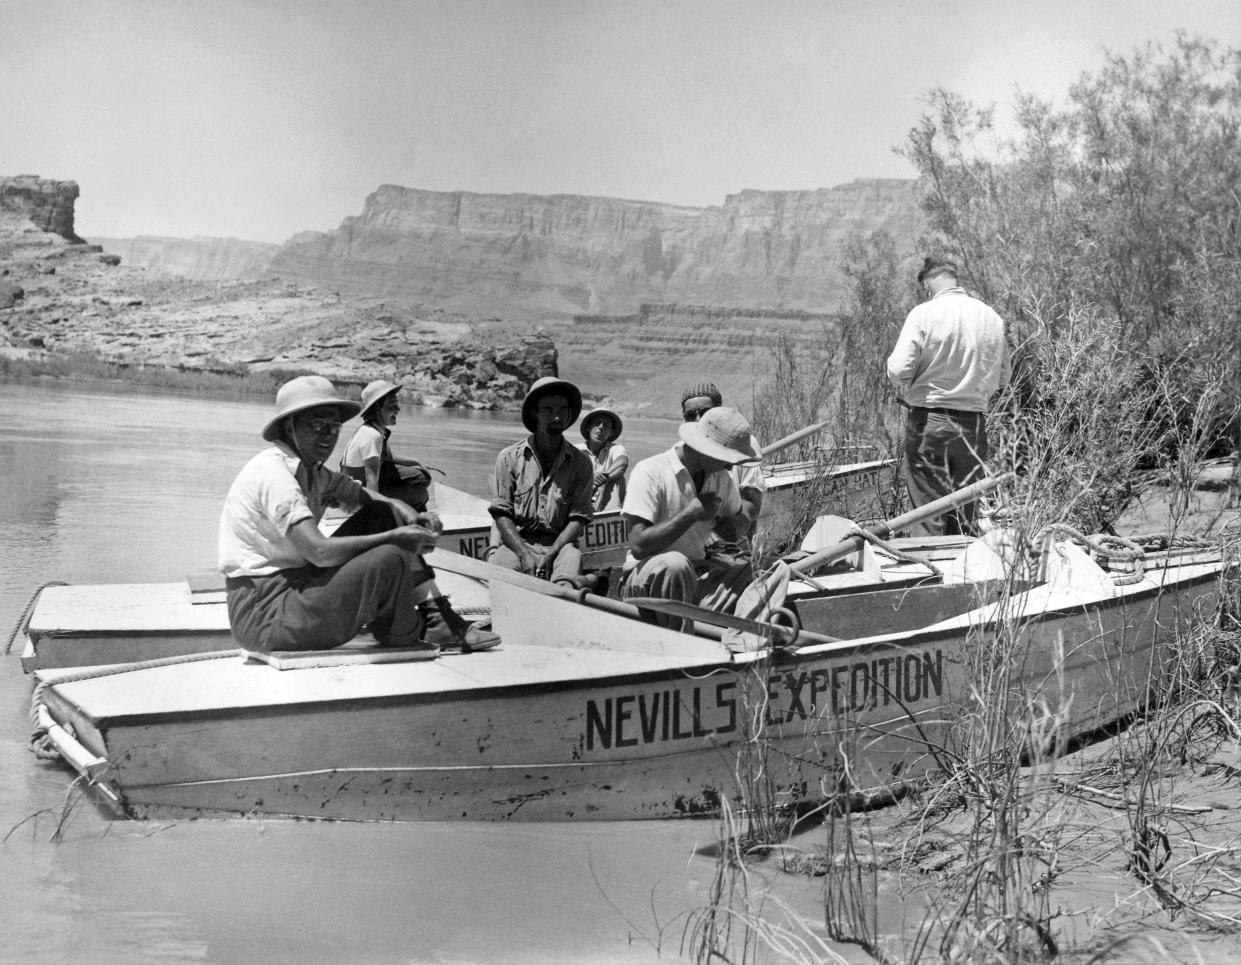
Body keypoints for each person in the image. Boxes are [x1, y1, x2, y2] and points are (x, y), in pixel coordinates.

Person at [219, 375, 499, 654]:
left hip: (296, 589)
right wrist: (394, 537)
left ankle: (435, 616)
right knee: (391, 557)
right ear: (289, 427)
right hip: (264, 616)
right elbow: (320, 552)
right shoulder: (275, 474)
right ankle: (404, 628)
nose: (328, 434)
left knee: (382, 512)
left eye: (334, 425)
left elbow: (365, 495)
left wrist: (407, 514)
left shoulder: (312, 471)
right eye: (317, 424)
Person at [886, 256, 1011, 536]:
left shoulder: (924, 313)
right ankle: (961, 571)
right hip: (974, 424)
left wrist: (907, 381)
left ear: (927, 284)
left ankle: (930, 571)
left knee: (928, 510)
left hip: (931, 421)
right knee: (965, 511)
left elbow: (898, 368)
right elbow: (1004, 378)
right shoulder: (991, 317)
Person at [620, 407, 760, 631]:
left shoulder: (720, 478)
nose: (731, 466)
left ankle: (744, 640)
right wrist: (692, 513)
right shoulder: (651, 471)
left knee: (767, 570)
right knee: (675, 564)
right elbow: (638, 545)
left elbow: (740, 515)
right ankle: (687, 649)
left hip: (697, 576)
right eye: (726, 458)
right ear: (704, 449)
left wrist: (738, 525)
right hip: (648, 579)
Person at [488, 377, 597, 589]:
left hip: (561, 546)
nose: (557, 417)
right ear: (535, 413)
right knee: (501, 583)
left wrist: (553, 552)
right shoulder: (509, 457)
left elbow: (579, 519)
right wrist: (523, 553)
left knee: (564, 588)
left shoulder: (581, 463)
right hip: (517, 543)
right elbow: (502, 514)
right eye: (548, 410)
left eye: (563, 410)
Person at [679, 382, 766, 552]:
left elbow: (752, 506)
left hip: (734, 544)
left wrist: (737, 523)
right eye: (690, 415)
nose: (698, 420)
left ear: (719, 409)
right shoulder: (683, 451)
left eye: (705, 413)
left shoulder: (744, 447)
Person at [341, 379, 433, 512]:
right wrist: (375, 514)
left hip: (365, 484)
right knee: (420, 494)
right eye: (392, 404)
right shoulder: (372, 435)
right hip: (357, 494)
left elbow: (388, 457)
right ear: (377, 407)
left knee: (422, 477)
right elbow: (371, 479)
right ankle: (405, 519)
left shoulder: (375, 430)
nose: (398, 409)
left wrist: (417, 461)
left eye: (397, 404)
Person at [579, 407, 628, 512]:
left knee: (618, 479)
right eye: (597, 423)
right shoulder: (577, 450)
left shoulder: (615, 449)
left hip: (604, 502)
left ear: (611, 432)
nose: (601, 427)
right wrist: (591, 479)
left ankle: (610, 516)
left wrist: (599, 480)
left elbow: (622, 463)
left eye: (605, 425)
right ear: (588, 427)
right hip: (580, 500)